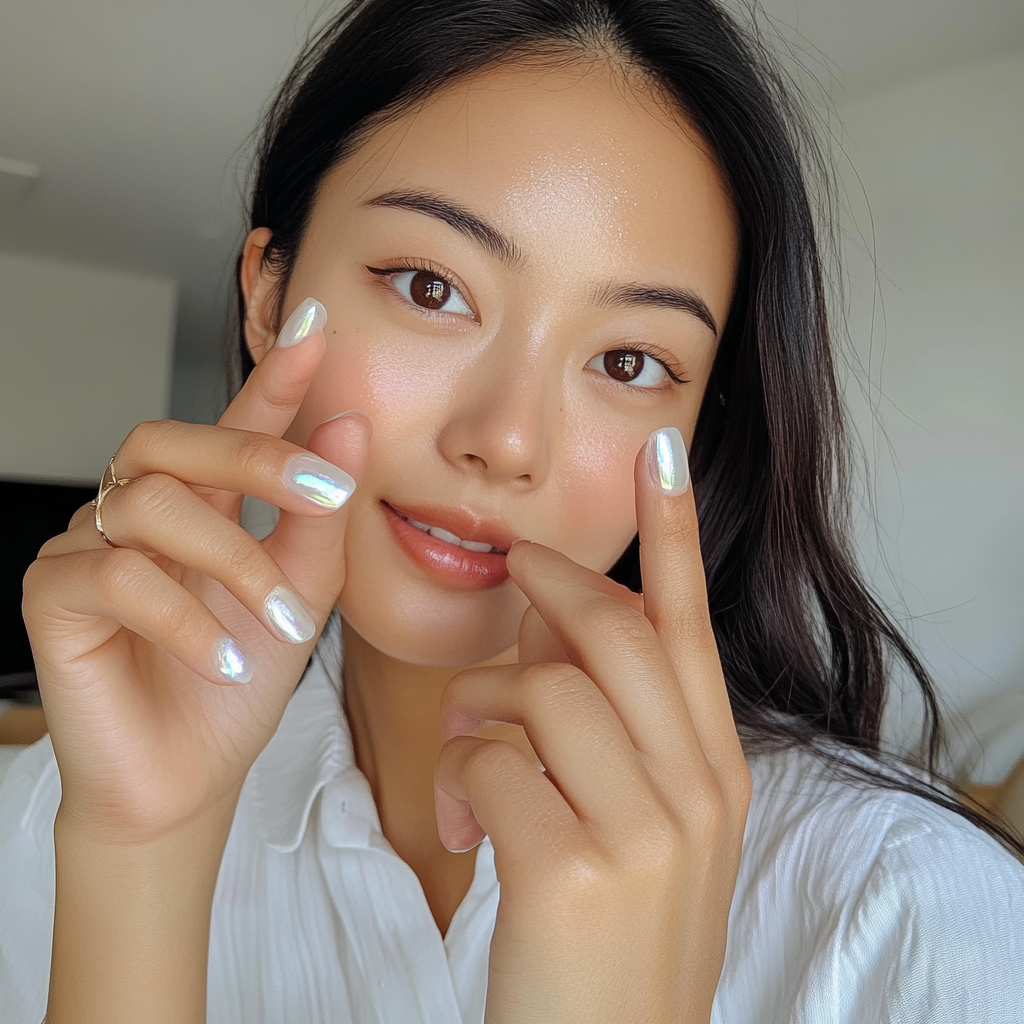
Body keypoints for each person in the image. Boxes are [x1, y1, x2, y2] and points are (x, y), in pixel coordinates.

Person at [3, 0, 1022, 1021]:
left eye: (628, 362)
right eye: (429, 286)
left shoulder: (913, 911)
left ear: (697, 433)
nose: (506, 438)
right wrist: (143, 854)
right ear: (269, 300)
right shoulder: (56, 813)